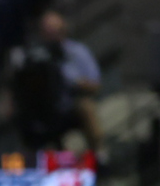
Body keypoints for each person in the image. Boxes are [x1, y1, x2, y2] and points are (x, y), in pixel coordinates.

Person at [7, 9, 102, 151]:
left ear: (64, 29)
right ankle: (39, 165)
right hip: (43, 110)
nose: (53, 36)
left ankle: (99, 157)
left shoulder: (77, 51)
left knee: (86, 106)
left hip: (69, 106)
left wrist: (73, 82)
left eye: (56, 31)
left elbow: (95, 85)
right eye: (47, 32)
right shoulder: (32, 57)